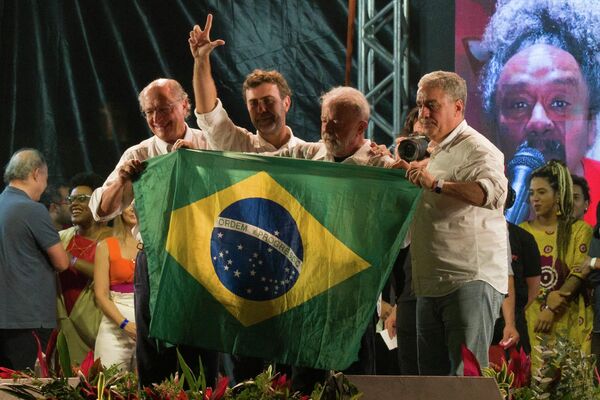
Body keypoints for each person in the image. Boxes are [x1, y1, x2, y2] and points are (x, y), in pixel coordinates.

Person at [89, 78, 218, 387]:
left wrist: (200, 163)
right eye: (150, 112)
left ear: (185, 106)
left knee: (200, 354)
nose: (157, 118)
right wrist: (122, 179)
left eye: (164, 109)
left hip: (202, 260)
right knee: (154, 352)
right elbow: (102, 210)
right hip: (154, 260)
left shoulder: (210, 143)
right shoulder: (140, 154)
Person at [397, 71, 508, 375]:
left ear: (458, 107)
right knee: (430, 383)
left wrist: (438, 184)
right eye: (420, 105)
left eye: (432, 105)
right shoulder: (430, 150)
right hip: (429, 281)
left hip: (468, 278)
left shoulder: (478, 148)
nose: (423, 113)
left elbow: (492, 193)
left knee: (464, 379)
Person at [479, 0, 600, 227]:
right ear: (494, 126)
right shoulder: (476, 196)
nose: (538, 122)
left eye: (559, 102)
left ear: (591, 125)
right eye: (518, 104)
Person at [189, 14, 305, 153]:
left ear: (286, 103)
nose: (261, 109)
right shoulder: (237, 146)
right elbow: (209, 116)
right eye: (254, 103)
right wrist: (201, 60)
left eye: (268, 101)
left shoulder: (308, 154)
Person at [520, 160, 593, 372]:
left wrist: (552, 306)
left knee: (573, 386)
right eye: (532, 193)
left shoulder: (578, 230)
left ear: (558, 196)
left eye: (542, 192)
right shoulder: (521, 232)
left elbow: (581, 269)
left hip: (571, 320)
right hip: (534, 322)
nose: (535, 198)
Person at [0, 149, 69, 370]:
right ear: (36, 173)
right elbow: (62, 262)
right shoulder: (33, 210)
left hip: (5, 317)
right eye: (46, 179)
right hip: (28, 316)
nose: (45, 186)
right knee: (26, 388)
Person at [57, 172, 112, 366]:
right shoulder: (60, 238)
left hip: (96, 329)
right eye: (71, 199)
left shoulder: (112, 239)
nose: (74, 204)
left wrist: (71, 260)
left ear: (97, 201)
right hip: (63, 331)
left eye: (82, 198)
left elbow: (111, 275)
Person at [94, 206, 138, 371]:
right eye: (129, 203)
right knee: (108, 387)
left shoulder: (153, 246)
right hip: (114, 329)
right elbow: (101, 294)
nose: (134, 208)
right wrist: (125, 325)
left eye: (138, 201)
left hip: (146, 330)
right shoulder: (105, 246)